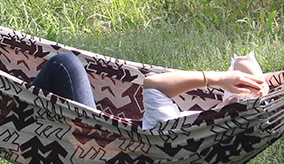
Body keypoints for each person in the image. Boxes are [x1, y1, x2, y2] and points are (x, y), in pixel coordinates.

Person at [32, 51, 270, 129]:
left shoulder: (178, 128)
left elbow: (153, 84)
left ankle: (22, 114)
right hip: (112, 130)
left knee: (63, 63)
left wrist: (216, 78)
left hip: (96, 135)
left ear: (229, 108)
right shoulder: (223, 120)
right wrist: (261, 88)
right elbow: (243, 62)